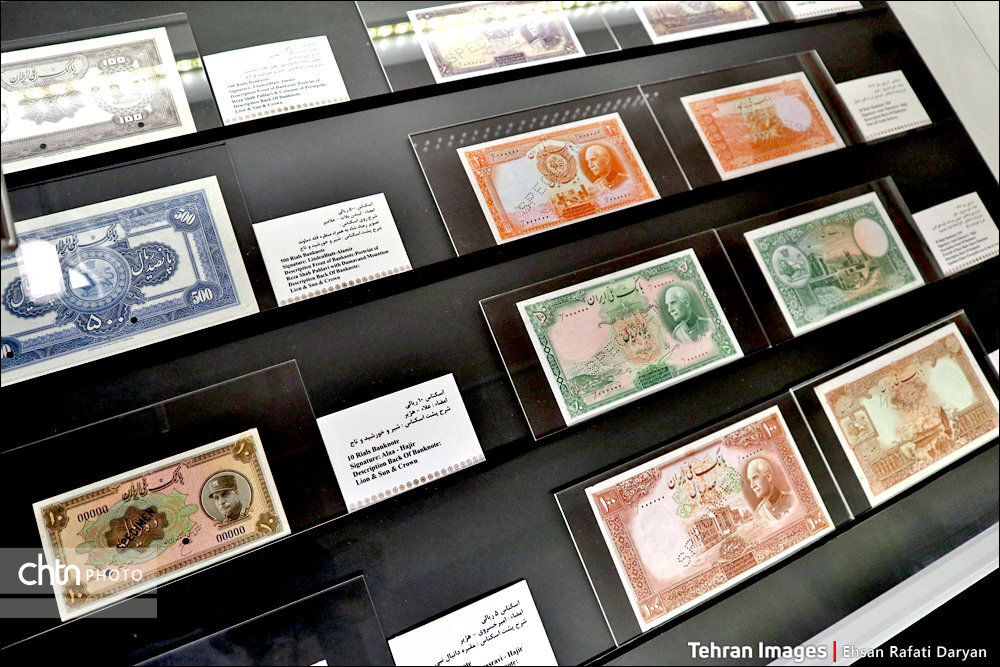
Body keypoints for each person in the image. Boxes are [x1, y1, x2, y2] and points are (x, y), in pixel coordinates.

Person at [746, 458, 794, 524]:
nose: (752, 486)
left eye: (755, 478)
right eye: (750, 481)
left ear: (768, 477)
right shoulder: (760, 514)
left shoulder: (792, 499)